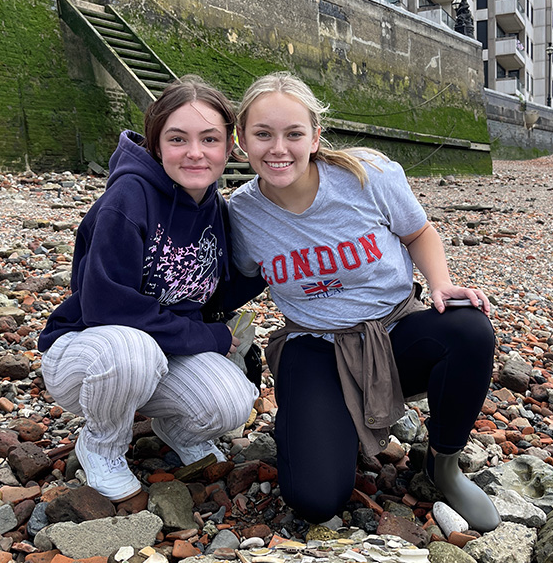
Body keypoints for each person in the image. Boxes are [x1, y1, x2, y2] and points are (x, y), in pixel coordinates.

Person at [228, 72, 500, 531]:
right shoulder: (242, 211)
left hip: (393, 331)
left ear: (315, 137)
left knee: (469, 327)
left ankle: (443, 464)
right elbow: (236, 281)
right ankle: (335, 424)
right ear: (241, 140)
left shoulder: (366, 175)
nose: (279, 148)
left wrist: (440, 284)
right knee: (315, 500)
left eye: (294, 133)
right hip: (315, 346)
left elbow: (419, 232)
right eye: (263, 134)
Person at [38, 76, 262, 502]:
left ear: (229, 146)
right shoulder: (130, 196)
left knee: (233, 401)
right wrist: (208, 337)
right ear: (157, 145)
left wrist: (268, 266)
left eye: (209, 139)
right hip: (88, 350)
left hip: (160, 351)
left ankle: (173, 429)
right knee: (132, 350)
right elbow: (106, 304)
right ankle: (102, 444)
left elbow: (205, 295)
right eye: (178, 139)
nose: (195, 153)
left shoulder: (214, 207)